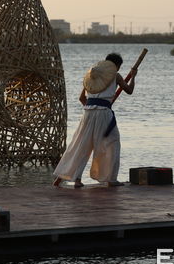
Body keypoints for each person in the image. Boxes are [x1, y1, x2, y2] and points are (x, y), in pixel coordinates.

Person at [53, 53, 137, 188]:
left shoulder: (91, 76)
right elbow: (129, 90)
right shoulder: (115, 75)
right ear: (116, 66)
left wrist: (93, 107)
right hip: (104, 113)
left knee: (82, 145)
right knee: (112, 143)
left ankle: (74, 179)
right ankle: (111, 179)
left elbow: (82, 99)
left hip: (88, 112)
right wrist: (133, 76)